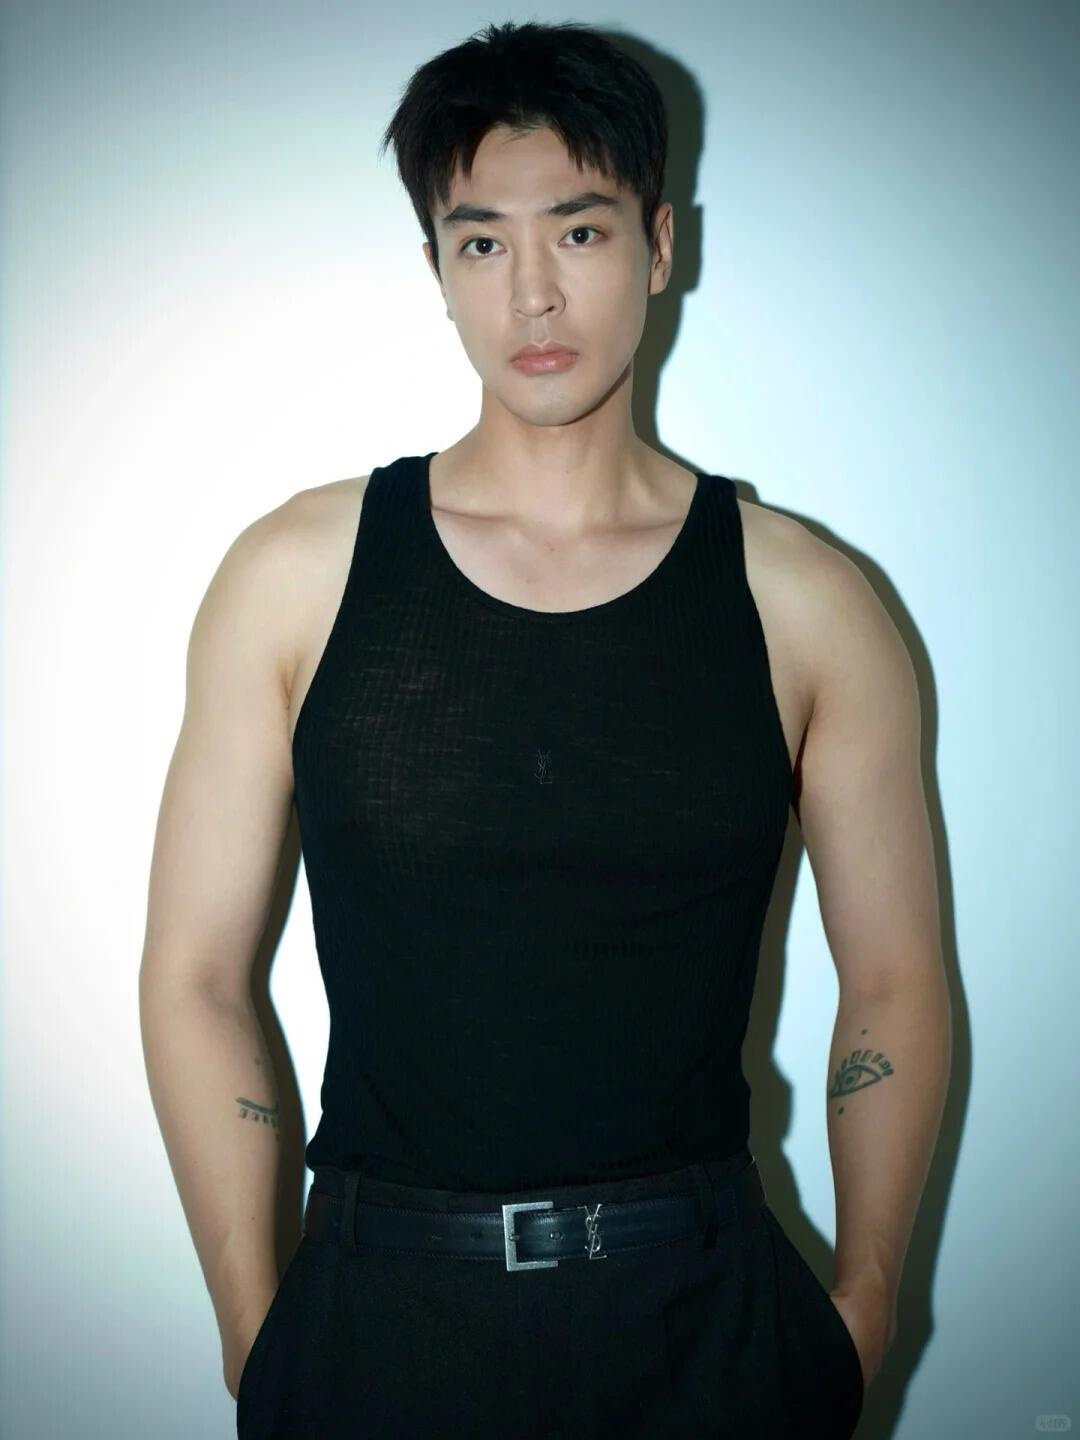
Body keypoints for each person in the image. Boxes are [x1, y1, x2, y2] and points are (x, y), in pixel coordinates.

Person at [139, 19, 951, 1439]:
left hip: (710, 1330)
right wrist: (255, 1331)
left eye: (578, 231)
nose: (532, 293)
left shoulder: (807, 599)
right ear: (438, 271)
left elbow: (892, 979)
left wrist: (867, 1307)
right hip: (377, 1326)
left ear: (659, 243)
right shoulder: (297, 576)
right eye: (481, 242)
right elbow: (196, 974)